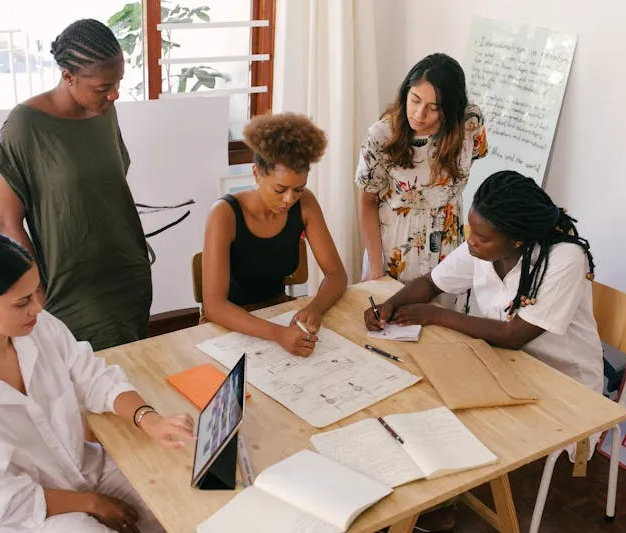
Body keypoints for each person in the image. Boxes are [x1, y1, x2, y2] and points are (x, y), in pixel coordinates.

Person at [365, 171, 603, 532]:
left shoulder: (564, 259)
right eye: (469, 231)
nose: (470, 242)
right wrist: (389, 304)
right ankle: (432, 501)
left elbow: (513, 334)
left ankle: (436, 502)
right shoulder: (483, 244)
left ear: (518, 239)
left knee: (447, 414)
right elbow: (432, 282)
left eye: (482, 237)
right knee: (419, 394)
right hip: (499, 360)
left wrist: (435, 315)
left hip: (558, 382)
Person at [0, 232, 195, 533]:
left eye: (37, 291)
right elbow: (3, 500)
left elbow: (93, 376)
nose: (38, 307)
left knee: (178, 499)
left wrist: (149, 419)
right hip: (16, 517)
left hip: (81, 470)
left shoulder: (38, 327)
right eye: (23, 301)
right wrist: (93, 503)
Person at [0, 19, 151, 351]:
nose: (114, 94)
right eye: (103, 86)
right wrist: (34, 288)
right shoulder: (24, 126)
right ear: (68, 76)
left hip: (126, 271)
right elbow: (8, 221)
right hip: (70, 284)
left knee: (133, 368)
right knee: (84, 379)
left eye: (118, 82)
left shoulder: (104, 111)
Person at [202, 113, 347, 357]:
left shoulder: (305, 204)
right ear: (257, 173)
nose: (289, 199)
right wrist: (277, 334)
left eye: (298, 190)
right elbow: (214, 306)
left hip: (278, 313)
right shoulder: (224, 214)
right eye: (280, 190)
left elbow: (336, 274)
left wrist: (316, 307)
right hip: (229, 325)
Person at [356, 52, 488, 300]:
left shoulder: (470, 124)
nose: (418, 113)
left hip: (449, 246)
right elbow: (366, 202)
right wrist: (376, 266)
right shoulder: (382, 135)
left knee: (445, 331)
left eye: (433, 108)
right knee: (391, 327)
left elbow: (472, 158)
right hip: (395, 250)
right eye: (414, 100)